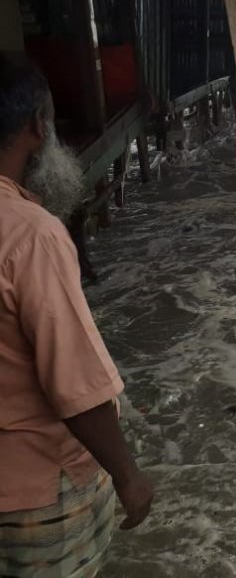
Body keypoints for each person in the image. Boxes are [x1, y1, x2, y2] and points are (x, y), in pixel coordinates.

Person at [0, 53, 153, 576]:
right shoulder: (30, 233)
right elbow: (75, 387)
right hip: (33, 492)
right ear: (37, 128)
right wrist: (128, 476)